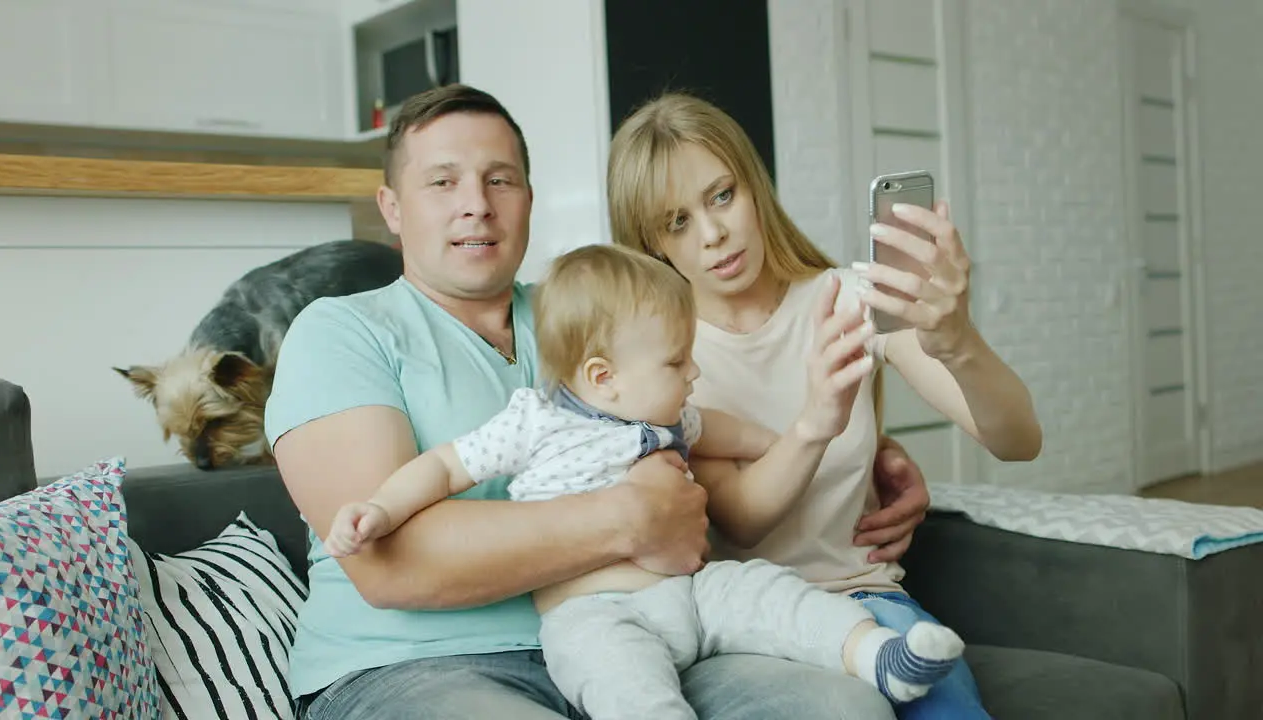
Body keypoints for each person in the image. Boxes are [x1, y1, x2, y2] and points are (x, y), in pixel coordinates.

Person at [265, 83, 932, 720]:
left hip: (649, 629)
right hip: (419, 666)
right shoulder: (342, 331)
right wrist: (628, 517)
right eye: (442, 182)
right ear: (391, 207)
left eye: (500, 179)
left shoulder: (589, 309)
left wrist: (868, 452)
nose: (477, 204)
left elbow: (708, 406)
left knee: (834, 707)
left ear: (529, 197)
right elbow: (392, 565)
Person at [321, 243, 967, 720]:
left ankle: (876, 654)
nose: (693, 372)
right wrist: (380, 507)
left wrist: (828, 442)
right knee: (622, 685)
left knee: (767, 591)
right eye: (677, 360)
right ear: (604, 377)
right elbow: (444, 466)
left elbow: (725, 429)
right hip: (597, 613)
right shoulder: (534, 421)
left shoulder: (667, 410)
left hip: (690, 593)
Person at [604, 91, 1043, 720]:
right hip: (744, 624)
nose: (713, 233)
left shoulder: (850, 298)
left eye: (722, 195)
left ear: (754, 187)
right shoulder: (664, 359)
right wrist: (817, 420)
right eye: (677, 222)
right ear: (652, 245)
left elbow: (1017, 440)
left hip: (866, 600)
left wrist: (958, 340)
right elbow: (744, 520)